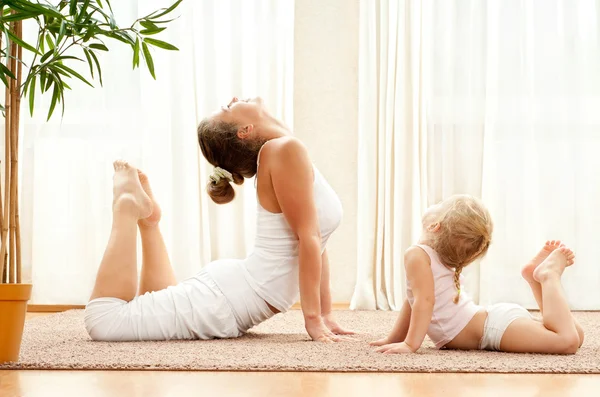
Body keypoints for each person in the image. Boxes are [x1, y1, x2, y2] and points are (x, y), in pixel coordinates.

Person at [84, 96, 354, 342]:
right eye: (228, 107)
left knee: (147, 305)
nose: (234, 99)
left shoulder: (285, 150)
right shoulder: (283, 150)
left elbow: (317, 241)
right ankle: (126, 207)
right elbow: (309, 238)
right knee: (103, 321)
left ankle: (149, 222)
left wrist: (327, 314)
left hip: (233, 292)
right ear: (245, 130)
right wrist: (313, 320)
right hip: (227, 300)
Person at [370, 194, 584, 354]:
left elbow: (423, 302)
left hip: (492, 328)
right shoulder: (430, 255)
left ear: (435, 225)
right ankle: (533, 277)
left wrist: (410, 344)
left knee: (567, 341)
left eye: (440, 204)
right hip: (492, 321)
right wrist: (394, 338)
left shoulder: (417, 254)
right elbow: (414, 299)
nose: (435, 203)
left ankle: (548, 276)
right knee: (575, 335)